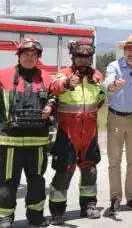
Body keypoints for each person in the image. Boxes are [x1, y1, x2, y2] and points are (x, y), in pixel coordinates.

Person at [0, 37, 55, 228]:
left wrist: (51, 106)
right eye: (26, 53)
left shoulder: (47, 77)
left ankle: (36, 217)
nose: (30, 57)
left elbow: (54, 98)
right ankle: (4, 218)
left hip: (37, 144)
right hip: (11, 143)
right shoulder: (3, 75)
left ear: (38, 57)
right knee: (8, 182)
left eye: (34, 54)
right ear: (19, 55)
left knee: (36, 182)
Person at [48, 38, 106, 224]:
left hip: (89, 131)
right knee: (64, 172)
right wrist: (67, 83)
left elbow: (101, 98)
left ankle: (89, 205)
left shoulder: (97, 75)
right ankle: (57, 212)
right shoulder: (63, 74)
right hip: (68, 131)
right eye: (80, 56)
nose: (83, 60)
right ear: (73, 56)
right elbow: (54, 89)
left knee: (90, 170)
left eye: (87, 56)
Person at [103, 34, 132, 213]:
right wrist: (115, 84)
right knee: (114, 161)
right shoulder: (114, 66)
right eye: (129, 49)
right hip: (115, 117)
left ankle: (131, 198)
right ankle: (115, 198)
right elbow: (107, 83)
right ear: (124, 50)